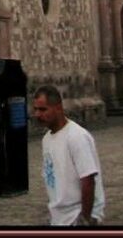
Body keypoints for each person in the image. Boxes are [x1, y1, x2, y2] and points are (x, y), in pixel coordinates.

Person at [33, 84, 105, 226]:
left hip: (77, 218)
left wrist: (85, 219)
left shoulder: (76, 136)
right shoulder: (46, 139)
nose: (37, 114)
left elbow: (88, 180)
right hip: (59, 219)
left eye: (43, 109)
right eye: (35, 109)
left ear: (58, 108)